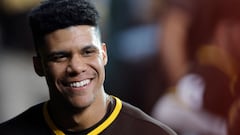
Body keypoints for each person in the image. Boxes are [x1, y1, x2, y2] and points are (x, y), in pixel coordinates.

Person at [0, 0, 176, 135]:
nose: (76, 67)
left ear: (104, 54)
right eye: (60, 56)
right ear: (38, 66)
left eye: (87, 52)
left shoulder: (150, 132)